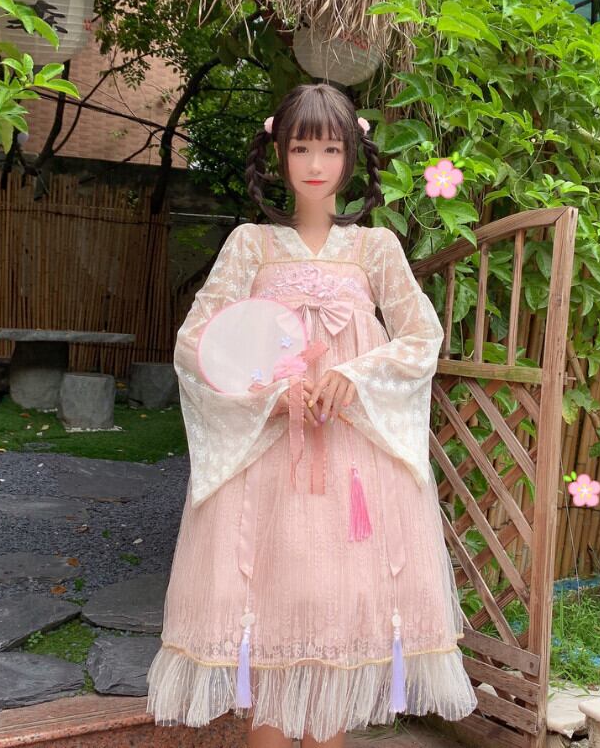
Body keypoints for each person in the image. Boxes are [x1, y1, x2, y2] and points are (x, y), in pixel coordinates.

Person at [146, 83, 478, 747]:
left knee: (337, 622)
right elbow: (195, 344)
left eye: (330, 148)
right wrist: (268, 392)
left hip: (354, 470)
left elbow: (422, 338)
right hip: (268, 466)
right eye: (301, 148)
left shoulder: (376, 248)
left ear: (352, 155)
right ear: (278, 154)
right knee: (267, 614)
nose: (316, 164)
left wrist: (355, 376)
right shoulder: (251, 245)